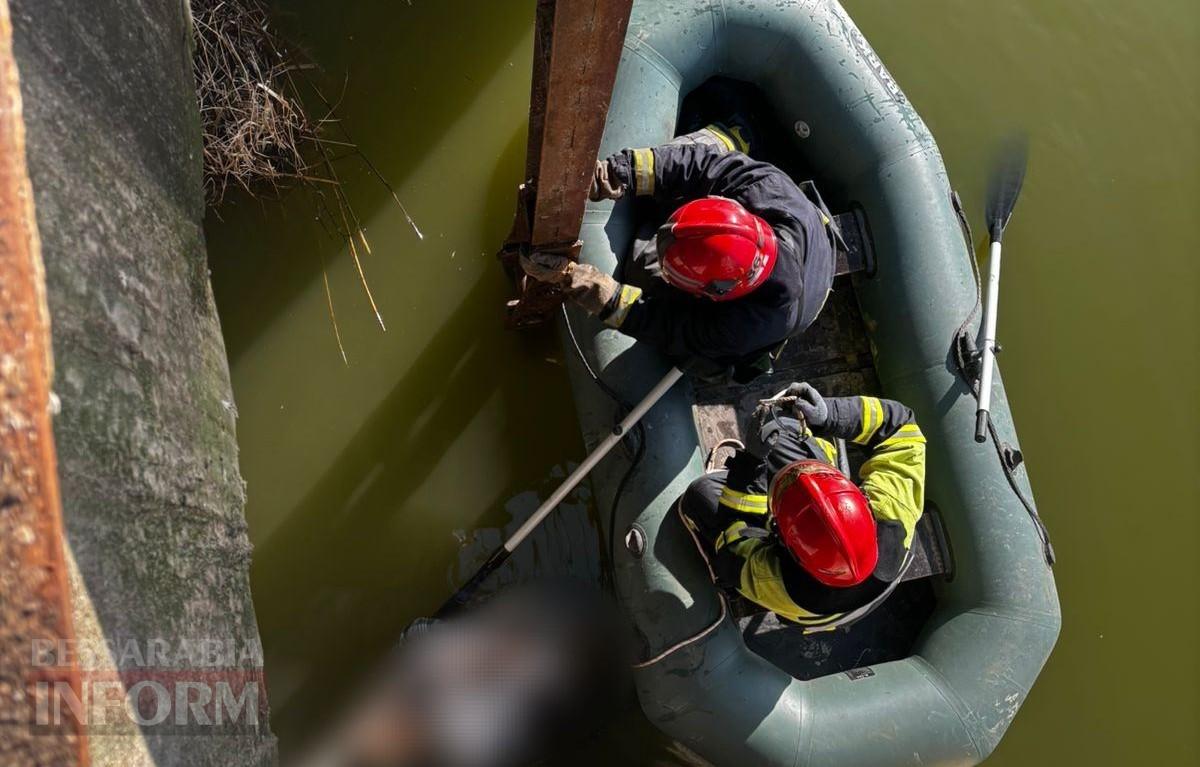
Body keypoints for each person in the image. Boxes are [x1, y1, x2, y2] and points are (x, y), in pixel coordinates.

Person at [520, 124, 836, 381]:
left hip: (796, 300)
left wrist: (577, 280)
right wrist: (612, 174)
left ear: (716, 293)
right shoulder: (769, 189)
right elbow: (703, 165)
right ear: (733, 212)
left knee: (643, 265)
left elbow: (662, 324)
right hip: (814, 247)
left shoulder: (741, 328)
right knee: (688, 154)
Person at [678, 383, 926, 629]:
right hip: (884, 579)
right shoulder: (892, 508)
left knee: (702, 495)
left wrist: (748, 466)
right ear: (863, 504)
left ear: (787, 542)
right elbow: (901, 426)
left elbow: (732, 542)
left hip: (816, 614)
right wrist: (830, 415)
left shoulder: (776, 582)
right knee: (782, 428)